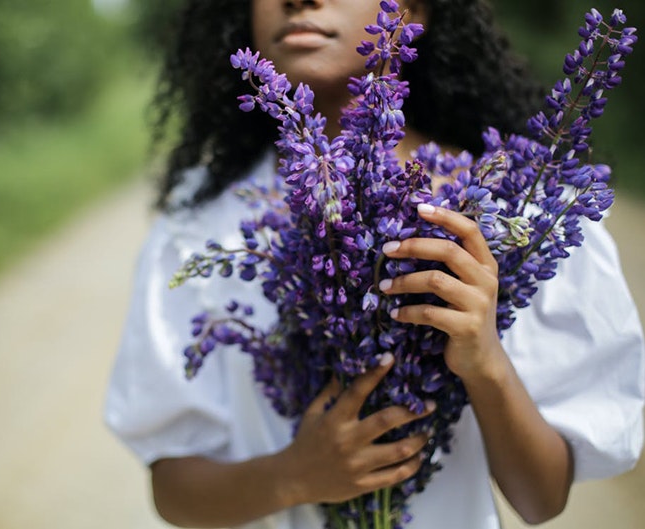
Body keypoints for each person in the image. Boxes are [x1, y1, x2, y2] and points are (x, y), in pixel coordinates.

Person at [103, 1, 645, 528]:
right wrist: (292, 476)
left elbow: (542, 500)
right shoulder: (200, 223)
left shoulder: (523, 209)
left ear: (416, 10)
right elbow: (173, 490)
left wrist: (486, 362)